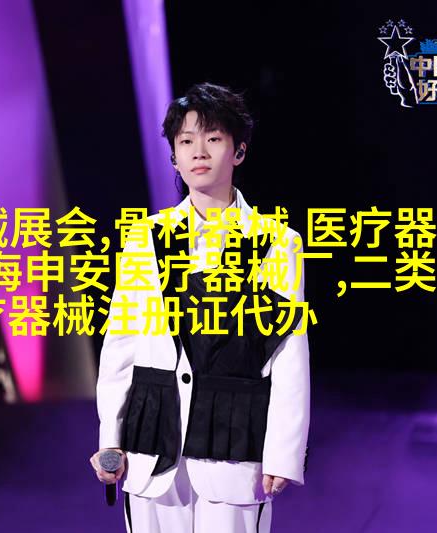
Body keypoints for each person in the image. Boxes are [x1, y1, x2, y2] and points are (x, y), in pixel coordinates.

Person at [90, 82, 310, 533]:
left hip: (235, 446)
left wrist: (284, 452)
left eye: (213, 138)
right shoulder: (144, 239)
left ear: (239, 151)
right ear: (174, 156)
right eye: (186, 141)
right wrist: (110, 439)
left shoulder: (276, 242)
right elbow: (121, 344)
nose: (199, 151)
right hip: (150, 448)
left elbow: (288, 351)